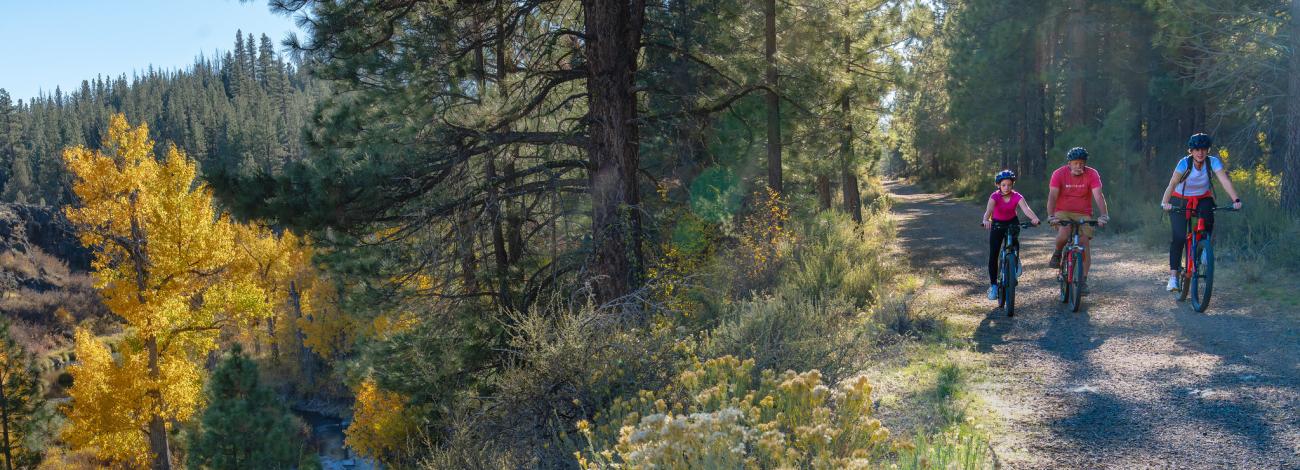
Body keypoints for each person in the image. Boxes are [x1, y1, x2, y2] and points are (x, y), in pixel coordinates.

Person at [1158, 133, 1243, 291]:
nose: (1200, 153)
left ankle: (1205, 248)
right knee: (1179, 237)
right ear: (1191, 150)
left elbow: (1224, 181)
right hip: (1180, 199)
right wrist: (1165, 202)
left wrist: (1236, 200)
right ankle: (1173, 278)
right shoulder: (1184, 163)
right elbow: (1172, 183)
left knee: (1209, 213)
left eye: (1204, 149)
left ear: (1207, 150)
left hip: (1202, 198)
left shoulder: (1213, 162)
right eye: (1197, 149)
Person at [1046, 147, 1110, 295]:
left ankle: (1083, 281)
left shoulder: (1092, 174)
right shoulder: (1059, 173)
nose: (1078, 166)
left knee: (1084, 243)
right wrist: (1051, 215)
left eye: (1081, 163)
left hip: (1083, 213)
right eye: (1075, 163)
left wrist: (1103, 215)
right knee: (1064, 232)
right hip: (1063, 211)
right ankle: (1057, 253)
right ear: (1069, 163)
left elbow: (1099, 196)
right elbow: (1052, 196)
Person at [982, 170, 1041, 300]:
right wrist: (986, 220)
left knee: (1014, 242)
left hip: (1012, 222)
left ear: (1012, 184)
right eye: (1003, 185)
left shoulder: (1017, 196)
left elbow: (1026, 209)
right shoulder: (994, 196)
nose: (1006, 187)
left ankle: (1015, 259)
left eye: (1009, 184)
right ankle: (993, 286)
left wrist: (1035, 218)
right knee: (994, 254)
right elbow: (989, 210)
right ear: (998, 185)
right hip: (997, 223)